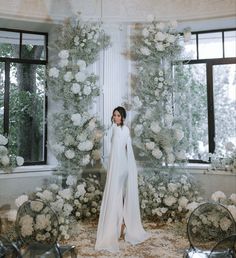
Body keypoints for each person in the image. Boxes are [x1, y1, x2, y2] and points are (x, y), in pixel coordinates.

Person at [95, 106, 150, 253]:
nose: (115, 118)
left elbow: (121, 150)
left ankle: (117, 227)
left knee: (116, 196)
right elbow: (119, 150)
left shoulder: (118, 129)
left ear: (123, 117)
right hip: (120, 166)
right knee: (117, 196)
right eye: (114, 115)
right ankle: (119, 226)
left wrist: (119, 168)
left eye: (118, 115)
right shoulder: (120, 129)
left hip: (120, 167)